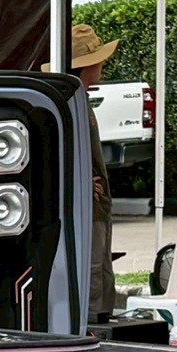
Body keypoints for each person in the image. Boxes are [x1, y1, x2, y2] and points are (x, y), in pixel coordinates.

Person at [64, 22, 120, 320]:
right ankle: (92, 322)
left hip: (96, 203)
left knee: (100, 265)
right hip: (87, 203)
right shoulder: (70, 102)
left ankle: (100, 317)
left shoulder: (80, 99)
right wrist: (82, 182)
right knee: (93, 267)